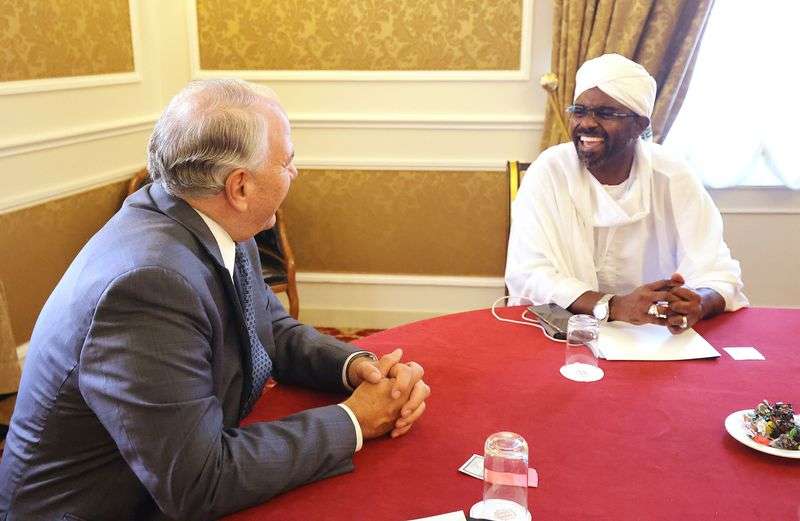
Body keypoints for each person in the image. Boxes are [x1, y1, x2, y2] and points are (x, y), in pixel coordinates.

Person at [0, 79, 430, 520]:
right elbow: (200, 482)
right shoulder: (147, 288)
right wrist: (354, 421)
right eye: (287, 162)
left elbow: (266, 325)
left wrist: (354, 367)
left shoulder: (203, 212)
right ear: (239, 187)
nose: (295, 174)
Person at [506, 54, 748, 334]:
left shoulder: (672, 176)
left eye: (606, 114)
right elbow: (529, 273)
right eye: (580, 111)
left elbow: (718, 270)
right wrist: (613, 305)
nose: (586, 123)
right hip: (562, 331)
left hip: (655, 338)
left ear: (640, 125)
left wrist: (698, 303)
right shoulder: (550, 171)